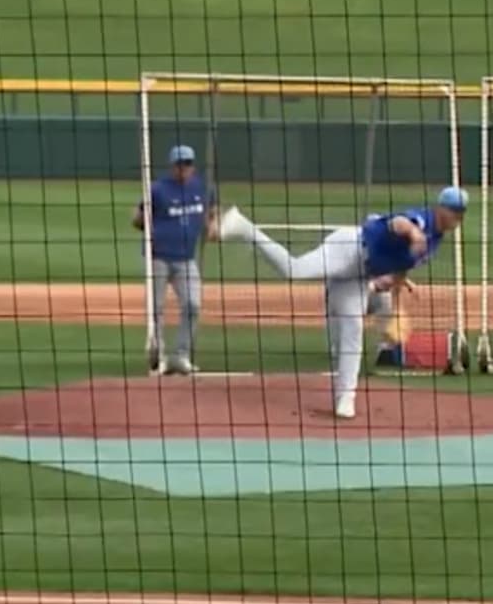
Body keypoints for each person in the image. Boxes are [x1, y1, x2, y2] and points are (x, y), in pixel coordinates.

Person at [217, 187, 466, 419]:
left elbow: (399, 271)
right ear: (439, 208)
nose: (457, 217)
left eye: (461, 212)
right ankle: (243, 226)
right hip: (348, 248)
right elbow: (398, 223)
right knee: (295, 269)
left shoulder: (435, 242)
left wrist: (395, 305)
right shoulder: (422, 220)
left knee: (353, 330)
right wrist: (413, 233)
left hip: (360, 275)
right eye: (453, 210)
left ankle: (345, 399)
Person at [131, 144, 217, 375]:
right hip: (158, 257)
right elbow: (137, 219)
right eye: (180, 164)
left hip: (186, 259)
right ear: (172, 166)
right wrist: (150, 227)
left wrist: (211, 227)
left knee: (193, 304)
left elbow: (209, 215)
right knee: (156, 309)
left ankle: (182, 356)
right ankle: (158, 357)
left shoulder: (204, 188)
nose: (184, 168)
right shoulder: (157, 190)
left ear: (193, 166)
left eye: (187, 164)